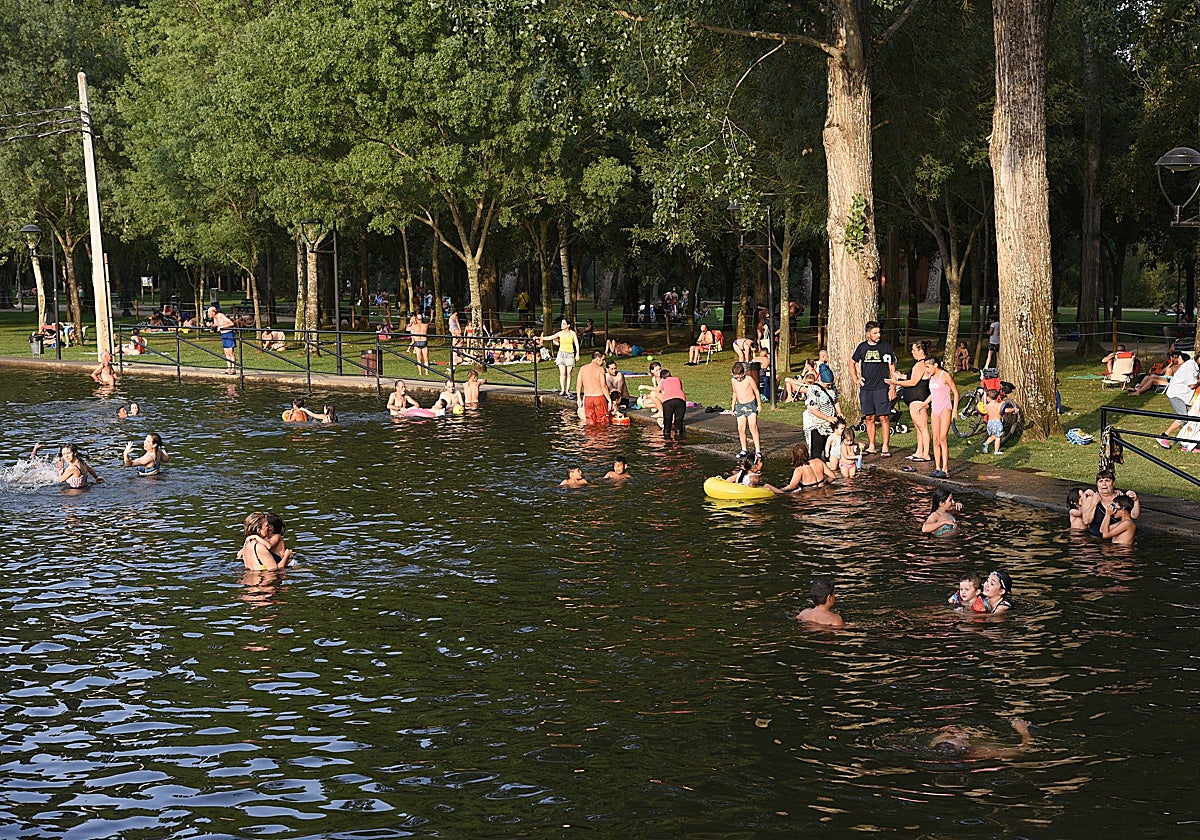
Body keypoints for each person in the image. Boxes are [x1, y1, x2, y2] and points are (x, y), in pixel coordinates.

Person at [849, 320, 897, 457]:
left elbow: (892, 367)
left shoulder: (885, 347)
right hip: (866, 389)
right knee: (869, 417)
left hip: (882, 388)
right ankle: (871, 445)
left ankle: (885, 446)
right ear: (868, 334)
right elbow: (852, 363)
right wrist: (856, 378)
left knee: (883, 417)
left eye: (879, 332)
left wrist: (893, 386)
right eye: (875, 333)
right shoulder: (862, 347)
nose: (878, 335)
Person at [887, 340, 933, 463]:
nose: (912, 352)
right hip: (914, 400)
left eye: (914, 350)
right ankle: (919, 451)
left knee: (923, 427)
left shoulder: (921, 364)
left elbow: (913, 382)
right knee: (918, 428)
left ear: (920, 351)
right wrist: (900, 376)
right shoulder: (918, 364)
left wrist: (895, 382)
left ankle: (926, 453)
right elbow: (911, 377)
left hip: (919, 399)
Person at [928, 719, 1033, 759]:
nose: (960, 737)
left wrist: (955, 732)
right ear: (967, 749)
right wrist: (1023, 730)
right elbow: (1024, 750)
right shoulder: (982, 753)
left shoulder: (937, 747)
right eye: (960, 740)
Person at [1080, 469, 1140, 538]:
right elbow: (1086, 521)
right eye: (1100, 481)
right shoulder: (1091, 498)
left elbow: (1134, 516)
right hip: (1095, 537)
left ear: (1113, 483)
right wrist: (1094, 503)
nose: (1104, 484)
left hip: (1116, 536)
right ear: (1097, 484)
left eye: (1107, 480)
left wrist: (1135, 500)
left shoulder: (1120, 496)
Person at [1157, 350, 1200, 448]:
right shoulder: (1190, 366)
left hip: (1185, 395)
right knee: (1184, 418)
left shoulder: (1194, 366)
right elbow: (1192, 386)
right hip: (1177, 394)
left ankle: (1186, 443)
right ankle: (1164, 436)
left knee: (1193, 417)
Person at [926, 356, 959, 477]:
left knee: (942, 438)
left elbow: (955, 393)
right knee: (935, 439)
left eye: (928, 367)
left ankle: (945, 469)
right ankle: (937, 467)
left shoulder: (945, 376)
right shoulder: (931, 377)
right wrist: (924, 404)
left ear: (935, 365)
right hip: (935, 410)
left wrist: (954, 410)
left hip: (945, 408)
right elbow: (933, 394)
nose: (927, 369)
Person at [768, 441, 837, 493]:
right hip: (822, 493)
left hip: (809, 495)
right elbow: (833, 476)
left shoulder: (799, 470)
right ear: (807, 453)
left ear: (795, 457)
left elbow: (792, 486)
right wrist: (825, 483)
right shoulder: (818, 461)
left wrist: (780, 489)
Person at [802, 371, 839, 459]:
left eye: (831, 384)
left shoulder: (832, 388)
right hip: (816, 424)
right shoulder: (813, 390)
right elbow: (812, 409)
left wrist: (839, 412)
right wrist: (827, 417)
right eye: (827, 385)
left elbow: (836, 400)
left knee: (830, 452)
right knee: (816, 453)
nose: (829, 386)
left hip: (830, 425)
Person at [730, 362, 763, 461]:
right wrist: (733, 406)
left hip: (750, 404)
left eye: (740, 377)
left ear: (744, 373)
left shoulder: (748, 379)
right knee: (741, 428)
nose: (739, 379)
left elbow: (756, 391)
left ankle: (758, 450)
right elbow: (735, 392)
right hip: (740, 405)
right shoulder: (733, 381)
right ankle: (744, 449)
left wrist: (759, 404)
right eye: (736, 378)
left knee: (753, 427)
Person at [541, 319, 579, 398]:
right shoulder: (560, 333)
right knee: (562, 373)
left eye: (564, 324)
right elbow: (550, 337)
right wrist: (540, 338)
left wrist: (577, 353)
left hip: (570, 354)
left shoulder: (572, 333)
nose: (562, 325)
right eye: (562, 323)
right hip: (561, 354)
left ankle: (567, 390)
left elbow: (576, 343)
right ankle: (562, 389)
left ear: (568, 325)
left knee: (569, 373)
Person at [576, 350, 611, 426]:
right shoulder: (600, 369)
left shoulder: (582, 368)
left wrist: (578, 398)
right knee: (603, 422)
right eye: (603, 359)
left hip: (588, 399)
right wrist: (609, 400)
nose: (604, 362)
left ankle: (591, 438)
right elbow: (603, 386)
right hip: (599, 398)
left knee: (590, 423)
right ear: (598, 358)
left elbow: (579, 384)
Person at [981, 387, 1018, 455]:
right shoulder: (998, 405)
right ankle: (996, 451)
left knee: (993, 436)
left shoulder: (987, 406)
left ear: (988, 398)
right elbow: (1006, 410)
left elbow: (982, 411)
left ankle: (986, 443)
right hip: (997, 423)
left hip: (990, 423)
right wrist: (1013, 409)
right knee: (998, 437)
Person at [207, 305, 237, 374]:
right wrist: (211, 325)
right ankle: (228, 368)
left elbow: (231, 323)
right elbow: (216, 324)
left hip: (229, 334)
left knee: (230, 352)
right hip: (223, 335)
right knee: (226, 352)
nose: (208, 314)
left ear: (213, 312)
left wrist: (222, 327)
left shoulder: (220, 315)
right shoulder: (215, 318)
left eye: (209, 312)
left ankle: (233, 368)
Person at [658, 367, 686, 439]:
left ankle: (667, 444)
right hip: (681, 400)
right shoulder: (677, 379)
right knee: (679, 425)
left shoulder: (663, 381)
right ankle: (680, 444)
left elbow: (659, 390)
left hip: (668, 401)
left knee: (667, 426)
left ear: (662, 377)